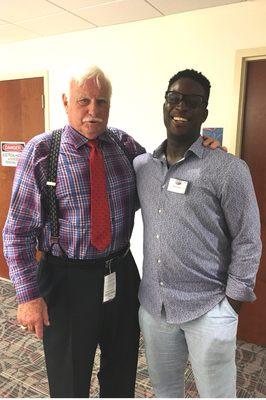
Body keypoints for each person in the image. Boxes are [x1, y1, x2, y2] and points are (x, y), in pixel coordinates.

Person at [3, 65, 221, 398]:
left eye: (101, 102)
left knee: (122, 371)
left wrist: (199, 148)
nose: (93, 111)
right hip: (66, 281)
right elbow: (16, 232)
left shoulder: (123, 145)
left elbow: (162, 174)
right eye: (84, 100)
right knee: (70, 379)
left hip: (120, 272)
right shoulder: (42, 152)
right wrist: (28, 296)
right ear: (65, 102)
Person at [134, 69, 262, 398]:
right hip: (155, 307)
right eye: (174, 98)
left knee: (216, 395)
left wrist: (232, 303)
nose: (182, 107)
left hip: (208, 308)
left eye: (193, 102)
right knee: (165, 391)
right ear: (164, 104)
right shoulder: (143, 167)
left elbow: (248, 241)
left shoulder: (228, 169)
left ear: (204, 112)